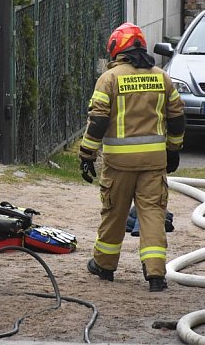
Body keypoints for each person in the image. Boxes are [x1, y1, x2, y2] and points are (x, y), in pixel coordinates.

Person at [77, 22, 185, 292]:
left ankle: (104, 266)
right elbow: (177, 117)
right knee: (153, 215)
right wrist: (173, 150)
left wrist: (87, 154)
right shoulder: (162, 77)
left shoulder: (109, 79)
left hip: (119, 164)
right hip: (154, 163)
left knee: (114, 214)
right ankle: (156, 275)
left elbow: (98, 121)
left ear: (116, 49)